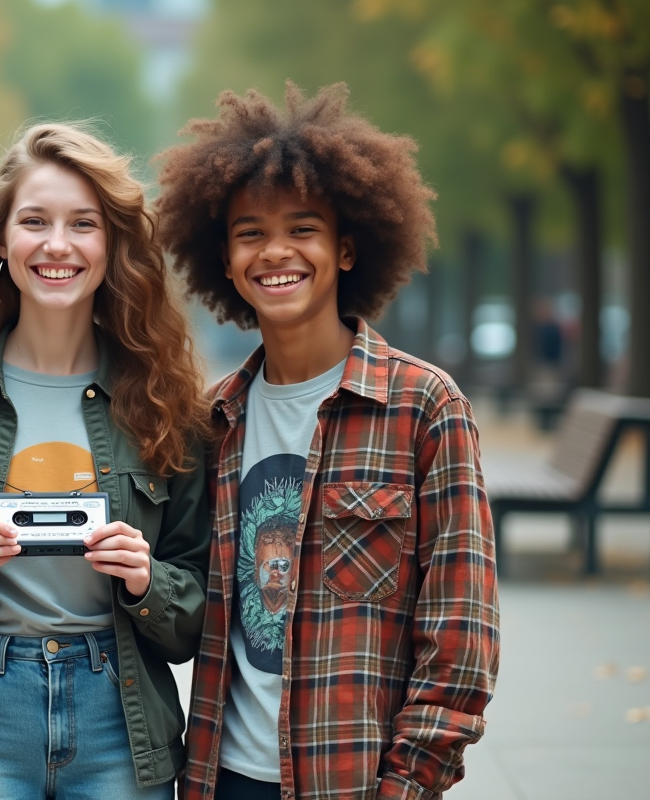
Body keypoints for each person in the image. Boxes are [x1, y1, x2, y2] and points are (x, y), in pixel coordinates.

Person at [153, 85, 500, 800]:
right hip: (219, 778)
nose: (275, 251)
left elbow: (460, 641)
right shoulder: (212, 422)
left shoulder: (424, 408)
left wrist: (405, 786)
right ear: (223, 259)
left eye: (302, 229)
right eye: (250, 232)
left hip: (352, 783)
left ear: (345, 248)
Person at [0, 123, 211, 799]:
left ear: (113, 244)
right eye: (34, 221)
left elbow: (199, 615)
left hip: (118, 714)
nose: (57, 245)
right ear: (2, 240)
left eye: (83, 224)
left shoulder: (165, 400)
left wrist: (148, 580)